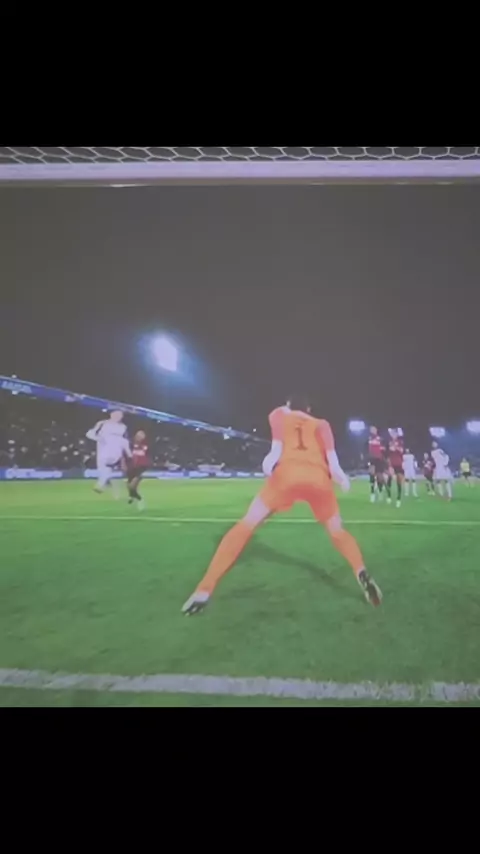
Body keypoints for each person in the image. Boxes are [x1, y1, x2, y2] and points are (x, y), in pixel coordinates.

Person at [182, 395, 382, 616]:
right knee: (337, 532)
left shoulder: (279, 416)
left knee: (246, 525)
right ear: (309, 409)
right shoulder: (322, 424)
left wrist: (269, 469)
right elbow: (335, 467)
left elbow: (274, 453)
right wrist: (343, 482)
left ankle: (204, 589)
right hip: (318, 479)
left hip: (287, 475)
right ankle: (361, 571)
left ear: (288, 405)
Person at [86, 410, 131, 496]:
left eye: (120, 415)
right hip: (102, 449)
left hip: (115, 451)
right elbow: (89, 434)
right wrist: (99, 439)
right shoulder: (102, 423)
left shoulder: (123, 427)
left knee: (106, 465)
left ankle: (101, 483)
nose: (118, 417)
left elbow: (125, 441)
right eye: (116, 415)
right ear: (111, 415)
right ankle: (104, 481)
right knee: (104, 468)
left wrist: (126, 453)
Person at [125, 430, 150, 510]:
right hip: (132, 467)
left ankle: (140, 499)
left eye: (141, 436)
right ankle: (132, 496)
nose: (138, 437)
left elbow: (146, 454)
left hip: (141, 467)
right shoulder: (131, 444)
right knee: (129, 486)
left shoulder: (145, 445)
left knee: (132, 486)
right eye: (138, 436)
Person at [367, 426, 387, 503]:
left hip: (379, 460)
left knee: (379, 477)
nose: (372, 431)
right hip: (372, 459)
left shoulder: (380, 439)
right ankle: (372, 494)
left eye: (374, 429)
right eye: (371, 430)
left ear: (376, 430)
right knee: (372, 476)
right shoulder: (369, 439)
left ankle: (380, 491)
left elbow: (383, 449)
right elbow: (367, 449)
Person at [386, 429, 404, 508]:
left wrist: (396, 448)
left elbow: (401, 451)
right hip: (392, 464)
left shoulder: (400, 442)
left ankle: (398, 499)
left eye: (395, 433)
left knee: (399, 481)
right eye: (392, 434)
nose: (393, 435)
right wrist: (389, 465)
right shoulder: (390, 442)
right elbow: (389, 452)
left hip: (399, 464)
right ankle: (389, 496)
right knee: (389, 480)